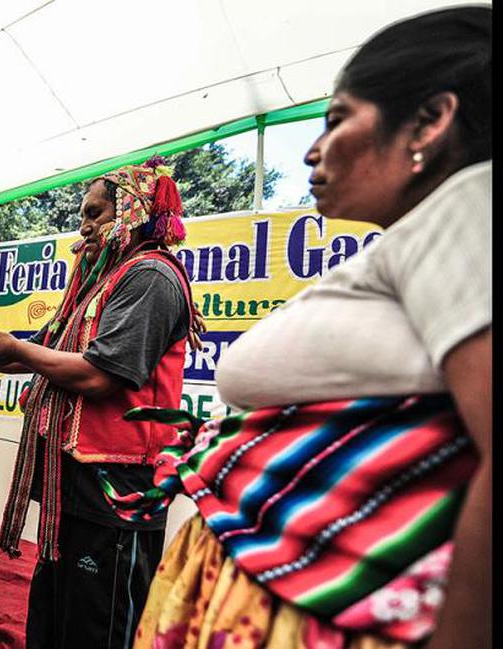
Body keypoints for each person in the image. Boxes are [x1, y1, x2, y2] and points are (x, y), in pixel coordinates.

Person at [111, 7, 491, 649]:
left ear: (431, 120)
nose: (313, 150)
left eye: (338, 120)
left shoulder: (466, 207)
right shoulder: (417, 243)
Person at [0, 158, 202, 648]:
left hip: (120, 486)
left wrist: (18, 350)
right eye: (82, 216)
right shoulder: (102, 281)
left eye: (95, 214)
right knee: (57, 613)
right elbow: (50, 353)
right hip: (77, 478)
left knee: (100, 624)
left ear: (131, 212)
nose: (84, 226)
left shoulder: (151, 275)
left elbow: (100, 375)